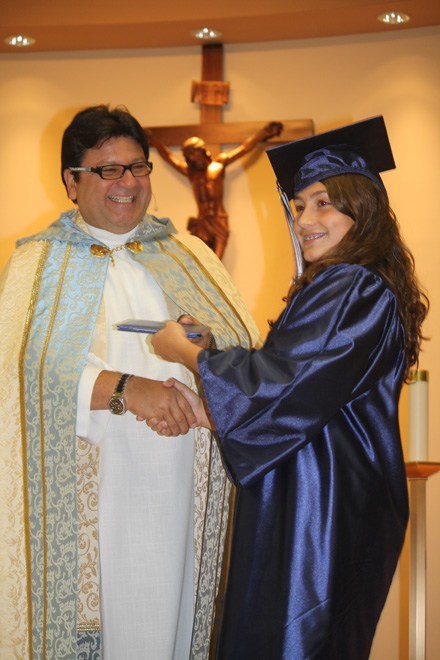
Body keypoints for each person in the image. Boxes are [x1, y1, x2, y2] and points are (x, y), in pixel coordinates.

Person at [149, 116, 429, 659]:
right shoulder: (354, 284)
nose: (305, 219)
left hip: (318, 511)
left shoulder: (352, 284)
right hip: (316, 497)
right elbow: (301, 388)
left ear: (362, 207)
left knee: (293, 643)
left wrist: (187, 352)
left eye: (324, 202)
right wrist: (214, 381)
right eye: (299, 205)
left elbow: (278, 385)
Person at [0, 104, 260, 659]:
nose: (128, 183)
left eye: (137, 167)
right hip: (94, 490)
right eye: (106, 169)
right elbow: (21, 367)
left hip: (185, 487)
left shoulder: (191, 256)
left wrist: (207, 351)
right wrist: (128, 390)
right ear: (72, 181)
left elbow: (244, 353)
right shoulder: (38, 264)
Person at [148, 121, 283, 259]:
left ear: (201, 151)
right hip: (201, 222)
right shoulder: (191, 173)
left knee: (217, 263)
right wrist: (153, 140)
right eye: (188, 156)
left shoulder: (219, 165)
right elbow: (169, 158)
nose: (192, 159)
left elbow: (243, 149)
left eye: (193, 154)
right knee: (199, 261)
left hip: (219, 221)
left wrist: (263, 134)